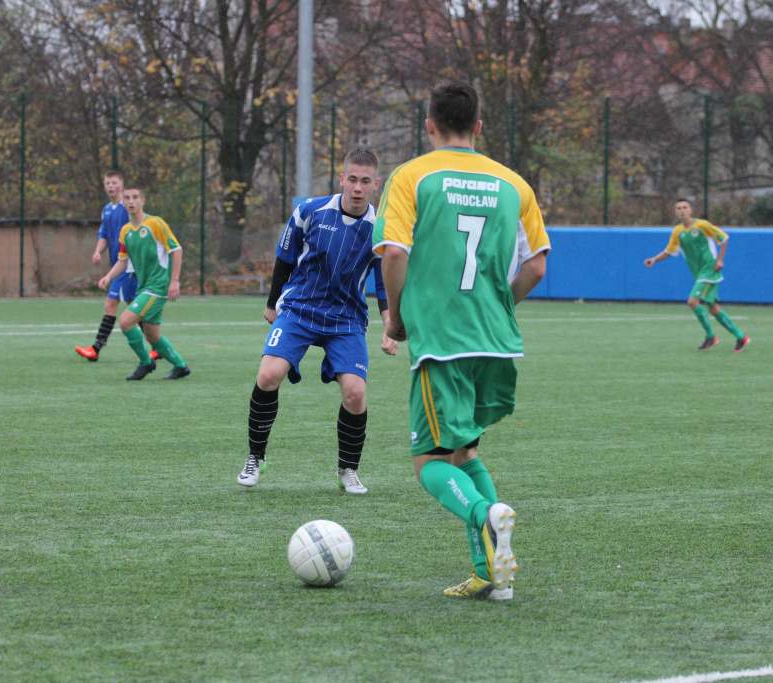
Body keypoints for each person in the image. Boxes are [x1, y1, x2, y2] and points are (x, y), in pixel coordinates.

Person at [373, 82, 550, 601]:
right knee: (463, 450)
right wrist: (499, 307)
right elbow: (536, 266)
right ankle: (491, 574)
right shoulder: (513, 184)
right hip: (495, 342)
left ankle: (484, 513)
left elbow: (394, 253)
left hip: (442, 339)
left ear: (429, 124)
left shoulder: (412, 176)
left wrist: (396, 318)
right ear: (478, 126)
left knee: (427, 462)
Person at [236, 149, 398, 494]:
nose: (357, 187)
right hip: (300, 309)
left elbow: (384, 282)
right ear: (341, 179)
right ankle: (255, 457)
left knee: (355, 393)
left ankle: (348, 469)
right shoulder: (310, 211)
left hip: (346, 318)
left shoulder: (380, 227)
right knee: (268, 375)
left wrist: (389, 322)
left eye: (365, 181)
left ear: (376, 184)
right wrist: (272, 304)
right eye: (352, 179)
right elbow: (285, 258)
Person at [96, 187, 190, 380]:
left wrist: (174, 281)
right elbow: (123, 261)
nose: (131, 201)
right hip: (144, 287)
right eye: (127, 198)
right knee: (152, 336)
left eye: (135, 197)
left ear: (142, 201)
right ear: (123, 202)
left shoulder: (155, 223)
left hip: (158, 286)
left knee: (125, 322)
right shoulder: (125, 231)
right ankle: (181, 366)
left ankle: (146, 362)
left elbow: (176, 250)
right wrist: (108, 277)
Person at [643, 198, 750, 351]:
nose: (682, 210)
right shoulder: (677, 231)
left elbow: (724, 238)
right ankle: (741, 337)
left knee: (692, 301)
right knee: (713, 308)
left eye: (685, 207)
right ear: (675, 212)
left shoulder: (702, 225)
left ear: (691, 210)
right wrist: (654, 259)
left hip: (710, 269)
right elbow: (669, 251)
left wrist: (720, 260)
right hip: (699, 273)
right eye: (679, 208)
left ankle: (711, 336)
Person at [75, 170, 159, 362]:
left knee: (111, 304)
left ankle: (96, 348)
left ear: (121, 185)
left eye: (114, 183)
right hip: (119, 265)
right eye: (107, 183)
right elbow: (104, 234)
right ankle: (157, 346)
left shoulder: (128, 207)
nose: (110, 186)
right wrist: (98, 251)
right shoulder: (107, 209)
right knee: (133, 308)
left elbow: (141, 227)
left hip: (129, 266)